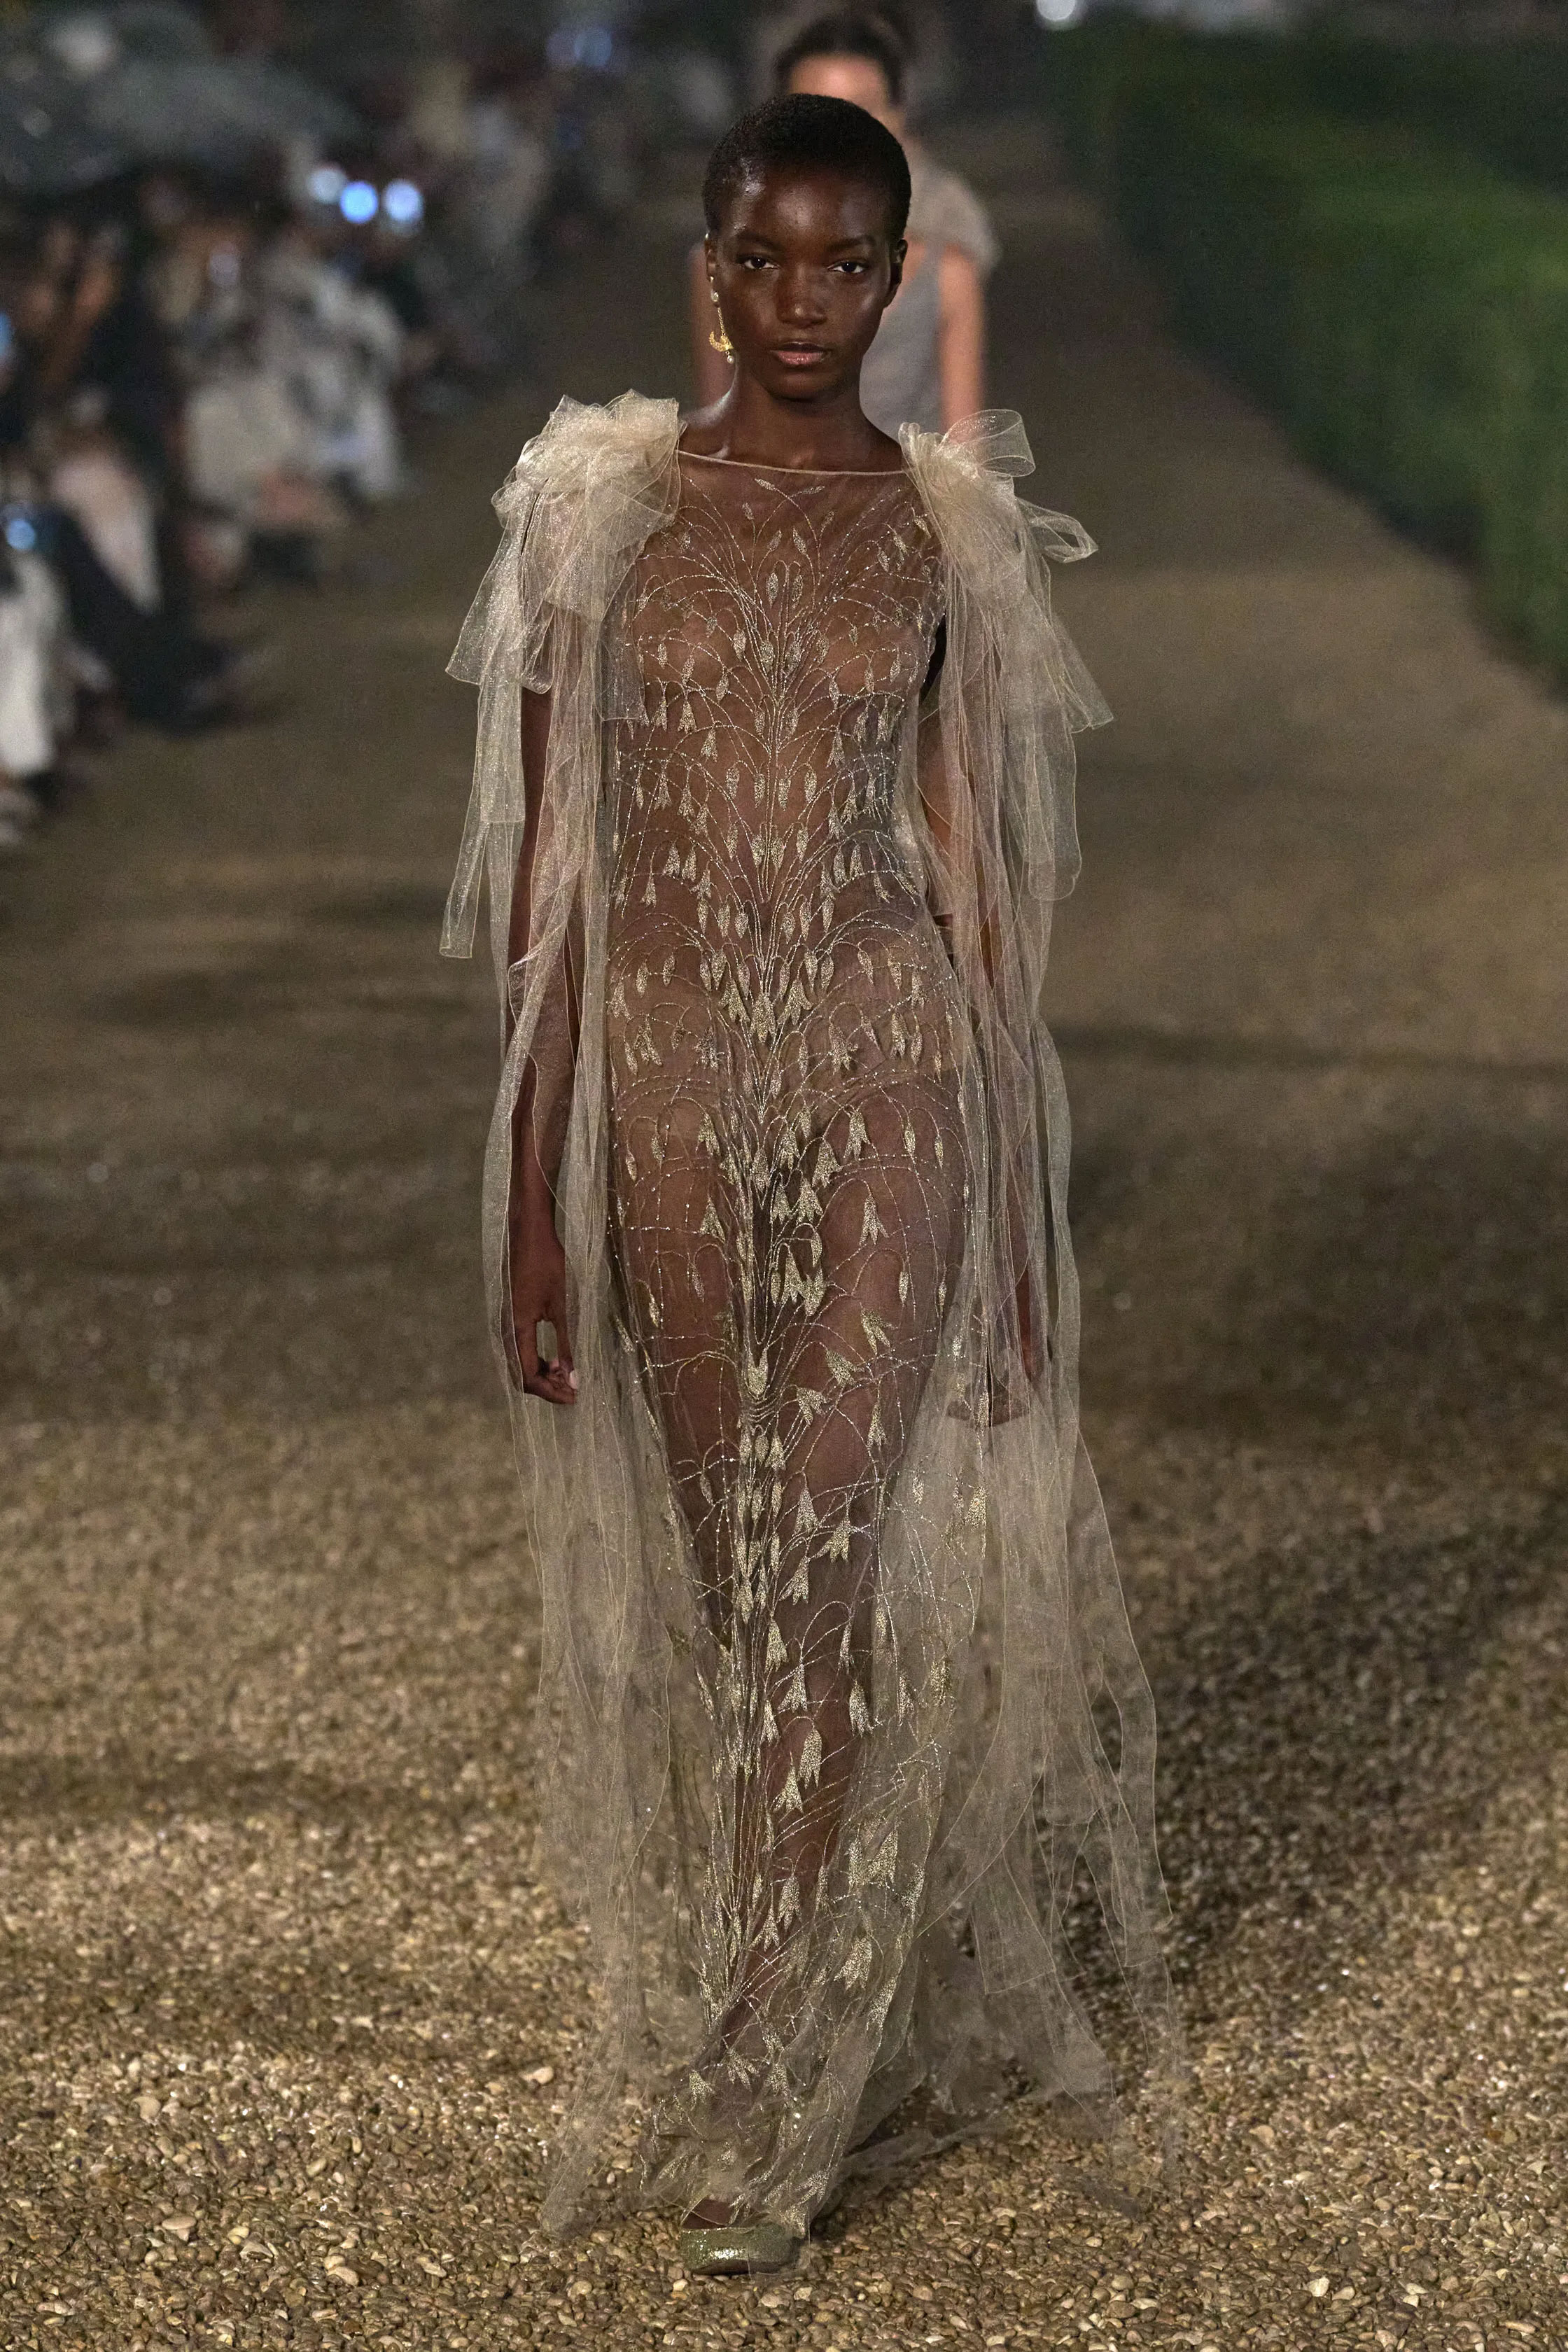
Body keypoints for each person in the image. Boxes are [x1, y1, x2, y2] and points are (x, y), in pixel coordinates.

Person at [444, 94, 1177, 2275]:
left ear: (891, 279)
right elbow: (549, 892)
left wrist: (1017, 1216)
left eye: (839, 266)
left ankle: (777, 2071)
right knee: (727, 1574)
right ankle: (791, 1985)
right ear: (709, 269)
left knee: (822, 1566)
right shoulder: (596, 513)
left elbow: (975, 888)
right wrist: (527, 1188)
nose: (797, 302)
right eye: (759, 259)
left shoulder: (947, 534)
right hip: (666, 1087)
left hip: (886, 1072)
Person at [687, 11, 996, 435]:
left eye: (861, 112)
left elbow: (967, 452)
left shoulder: (948, 271)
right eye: (811, 114)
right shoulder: (719, 268)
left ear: (898, 119)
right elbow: (716, 433)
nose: (836, 136)